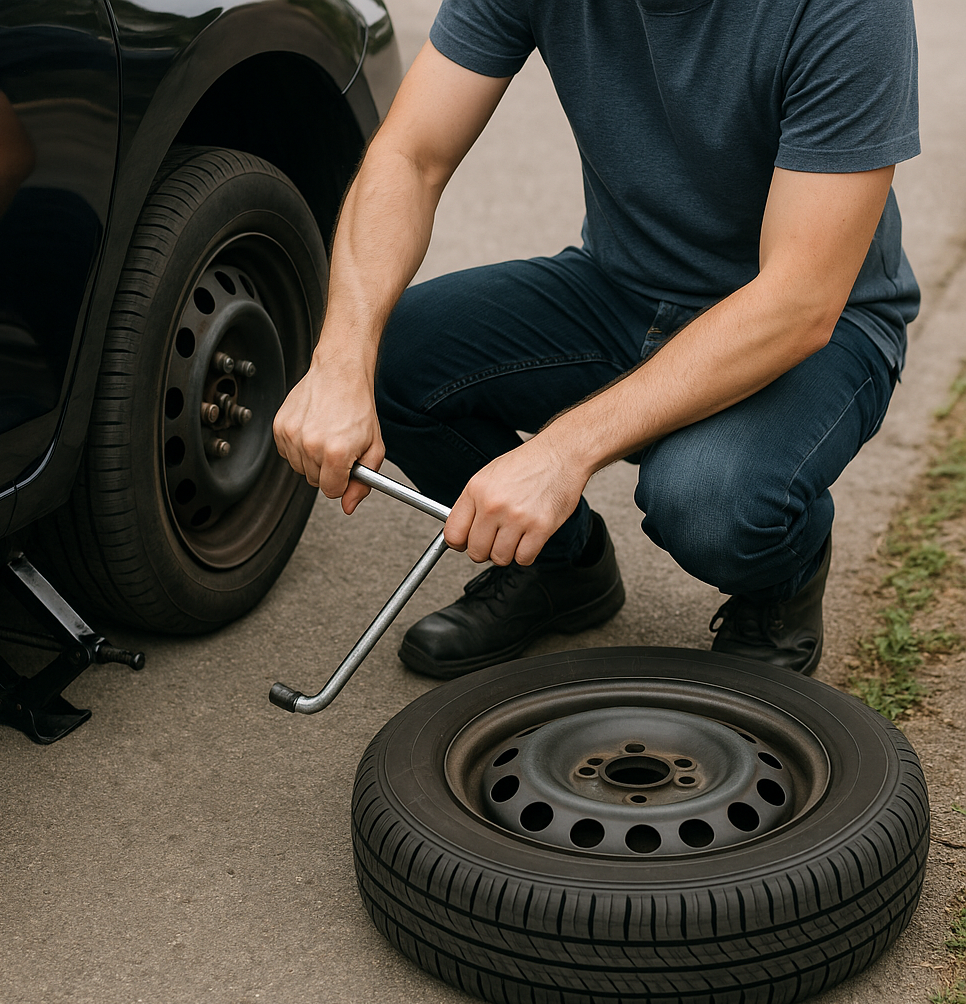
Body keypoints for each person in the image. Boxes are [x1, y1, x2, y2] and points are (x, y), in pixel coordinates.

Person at [273, 0, 920, 680]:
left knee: (707, 503)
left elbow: (799, 299)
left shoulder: (849, 10)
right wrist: (340, 359)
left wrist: (563, 452)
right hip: (621, 289)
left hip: (818, 324)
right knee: (388, 358)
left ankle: (781, 580)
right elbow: (410, 156)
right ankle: (559, 565)